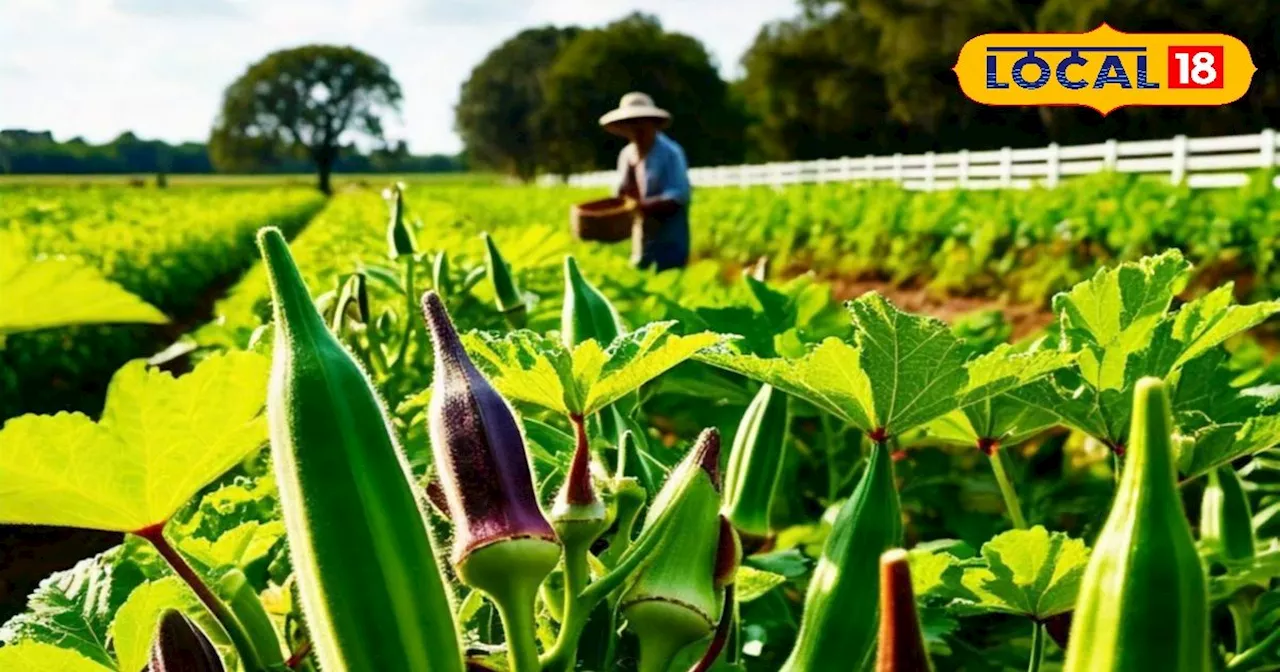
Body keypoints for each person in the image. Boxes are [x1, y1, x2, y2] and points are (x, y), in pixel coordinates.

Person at [599, 92, 692, 271]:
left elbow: (679, 196)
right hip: (641, 239)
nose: (636, 129)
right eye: (630, 124)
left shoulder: (671, 153)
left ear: (653, 123)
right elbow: (622, 194)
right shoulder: (626, 155)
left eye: (640, 122)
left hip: (670, 240)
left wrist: (642, 206)